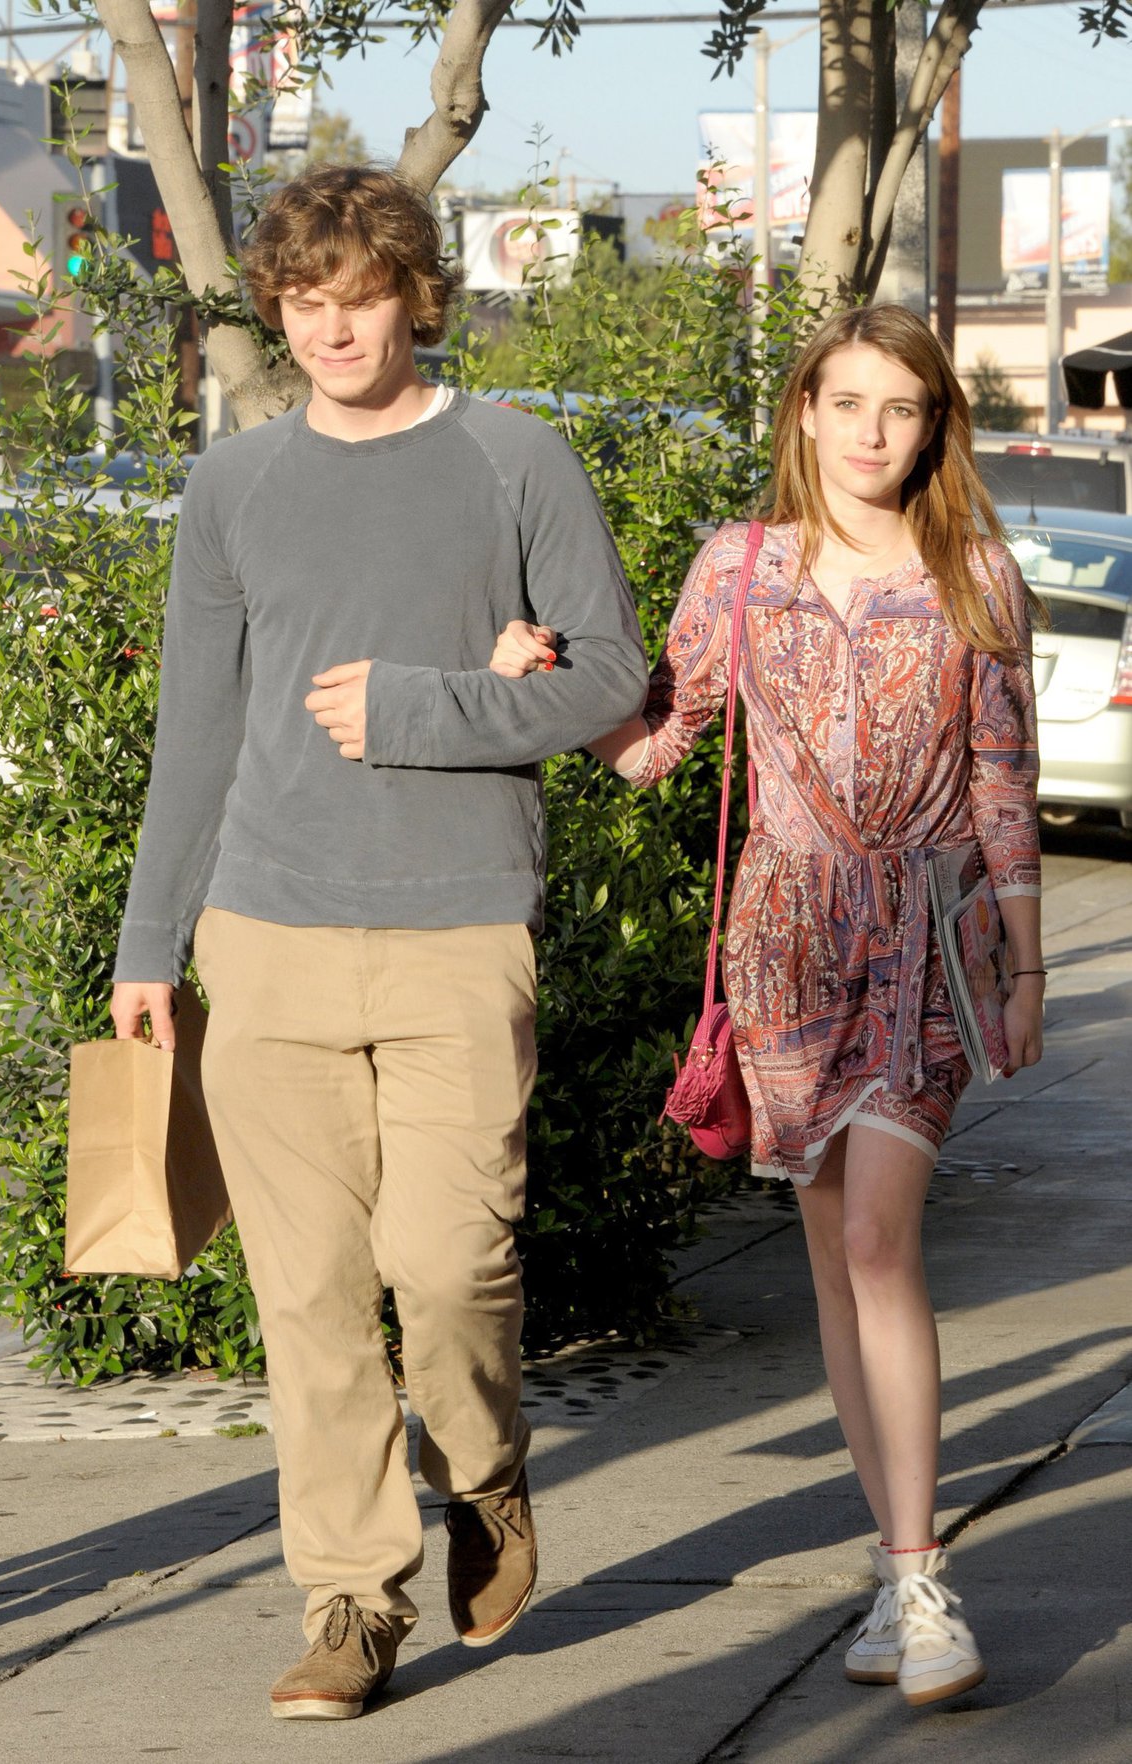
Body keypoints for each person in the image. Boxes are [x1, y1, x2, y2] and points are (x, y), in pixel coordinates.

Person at [109, 163, 649, 1721]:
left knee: (449, 1264)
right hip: (262, 933)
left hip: (457, 928)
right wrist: (153, 942)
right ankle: (351, 1601)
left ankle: (481, 1471)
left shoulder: (510, 457)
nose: (334, 326)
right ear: (275, 310)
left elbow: (610, 679)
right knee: (312, 1299)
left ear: (415, 296)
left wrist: (430, 706)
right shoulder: (235, 485)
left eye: (360, 297)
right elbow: (194, 732)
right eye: (304, 301)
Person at [488, 303, 1044, 1708]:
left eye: (899, 409)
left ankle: (922, 1584)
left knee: (875, 1241)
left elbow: (1002, 786)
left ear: (933, 427)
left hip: (926, 939)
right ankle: (890, 1564)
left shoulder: (977, 574)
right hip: (784, 941)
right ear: (803, 411)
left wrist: (1025, 967)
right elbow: (656, 749)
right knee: (832, 1268)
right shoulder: (740, 568)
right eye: (845, 402)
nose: (870, 432)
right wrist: (536, 676)